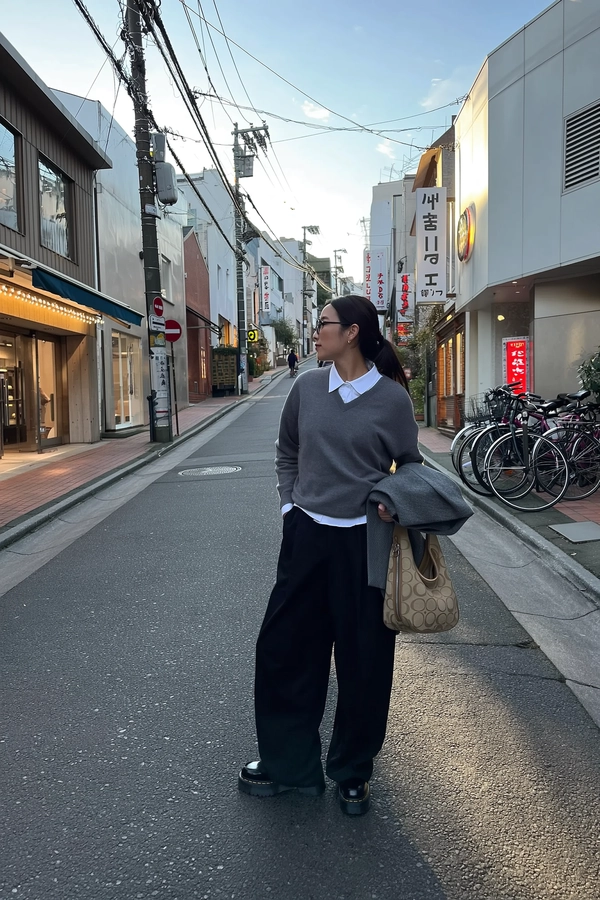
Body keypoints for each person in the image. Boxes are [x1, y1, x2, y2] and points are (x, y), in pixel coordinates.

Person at [239, 294, 422, 816]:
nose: (316, 332)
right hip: (307, 537)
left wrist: (391, 501)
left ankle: (352, 770)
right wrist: (289, 509)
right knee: (284, 649)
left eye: (324, 324)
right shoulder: (306, 388)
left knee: (365, 660)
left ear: (353, 333)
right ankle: (289, 764)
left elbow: (409, 466)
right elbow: (287, 452)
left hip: (365, 543)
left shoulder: (392, 400)